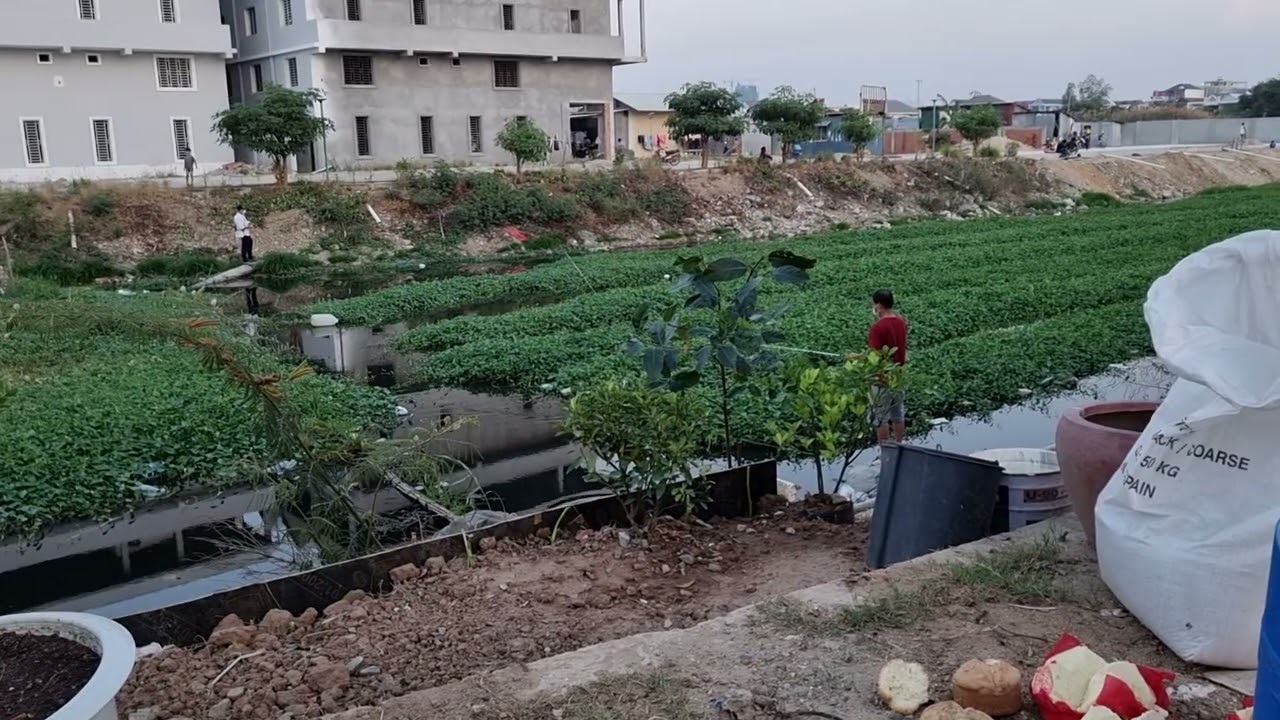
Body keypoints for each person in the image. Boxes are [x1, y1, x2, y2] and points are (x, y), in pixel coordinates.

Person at [864, 289, 908, 444]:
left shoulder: (877, 327)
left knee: (880, 418)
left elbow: (874, 356)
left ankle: (885, 452)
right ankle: (900, 445)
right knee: (898, 414)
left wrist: (855, 357)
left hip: (881, 377)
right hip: (898, 375)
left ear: (879, 305)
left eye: (874, 304)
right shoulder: (901, 322)